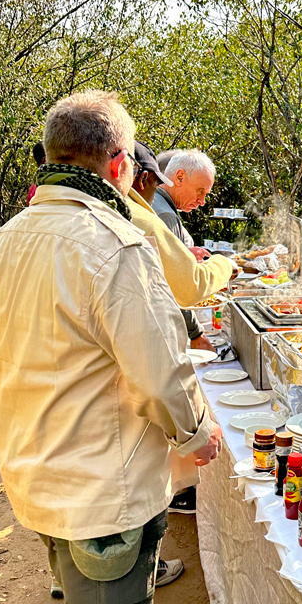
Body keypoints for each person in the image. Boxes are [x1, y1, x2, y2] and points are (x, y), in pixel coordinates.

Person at [0, 90, 225, 604]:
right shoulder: (113, 245)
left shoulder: (2, 243)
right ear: (120, 165)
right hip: (99, 488)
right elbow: (159, 367)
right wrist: (195, 432)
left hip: (38, 474)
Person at [129, 142, 236, 516]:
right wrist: (224, 266)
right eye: (201, 192)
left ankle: (175, 491)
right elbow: (183, 288)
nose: (203, 202)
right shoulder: (150, 214)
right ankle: (178, 492)